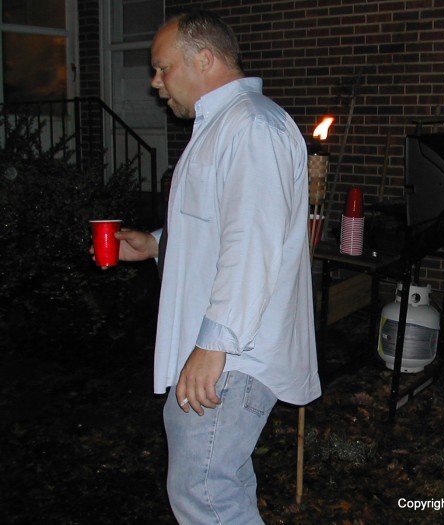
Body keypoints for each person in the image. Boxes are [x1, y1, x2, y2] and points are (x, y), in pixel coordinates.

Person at [100, 10, 321, 524]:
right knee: (221, 490)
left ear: (204, 58)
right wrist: (158, 245)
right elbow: (224, 225)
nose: (155, 84)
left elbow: (252, 246)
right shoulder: (227, 125)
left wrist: (212, 345)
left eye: (161, 69)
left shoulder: (251, 126)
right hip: (224, 347)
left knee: (204, 493)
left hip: (234, 354)